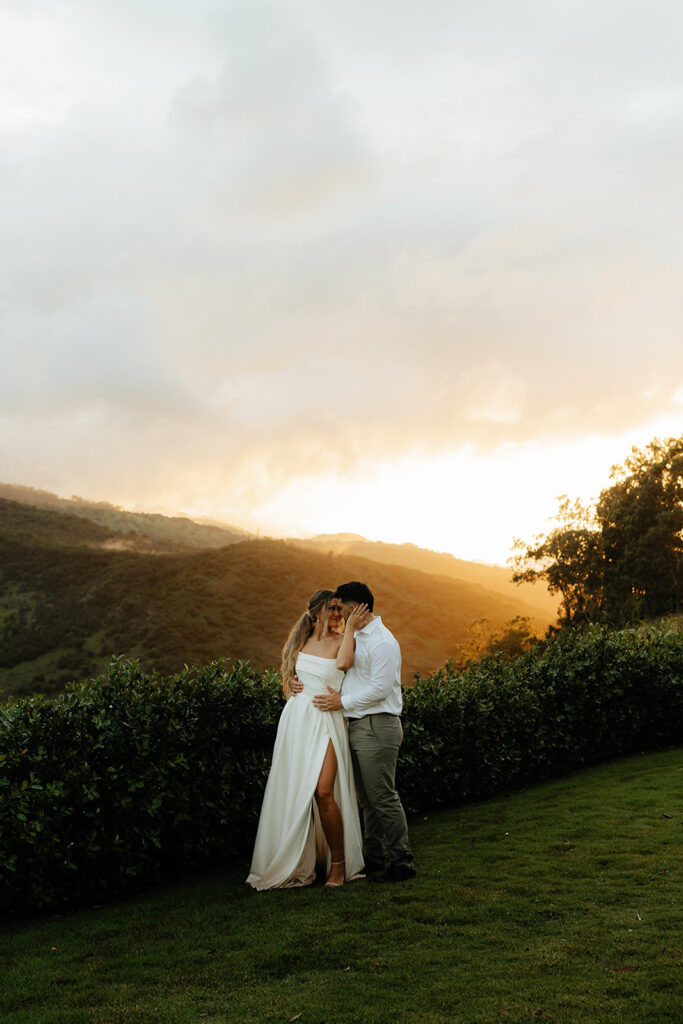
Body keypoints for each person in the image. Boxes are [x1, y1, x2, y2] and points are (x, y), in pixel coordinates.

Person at [246, 590, 368, 890]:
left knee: (324, 791)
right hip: (298, 719)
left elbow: (343, 665)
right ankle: (303, 860)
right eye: (334, 609)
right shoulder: (300, 641)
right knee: (296, 789)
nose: (338, 614)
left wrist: (350, 628)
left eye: (341, 610)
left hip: (326, 719)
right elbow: (290, 679)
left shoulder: (342, 640)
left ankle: (338, 864)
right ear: (316, 613)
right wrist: (294, 685)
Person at [310, 581, 416, 883]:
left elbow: (380, 690)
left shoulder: (382, 641)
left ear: (355, 608)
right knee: (367, 801)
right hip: (356, 726)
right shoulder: (353, 637)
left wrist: (341, 702)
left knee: (383, 797)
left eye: (341, 608)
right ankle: (373, 859)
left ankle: (401, 862)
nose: (337, 614)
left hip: (378, 725)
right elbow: (345, 673)